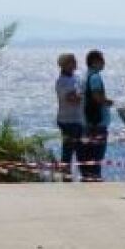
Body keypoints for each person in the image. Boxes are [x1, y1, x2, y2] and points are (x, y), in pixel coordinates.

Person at [81, 49, 113, 182]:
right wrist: (107, 102)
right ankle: (95, 177)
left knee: (89, 152)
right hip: (97, 121)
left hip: (88, 120)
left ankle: (88, 176)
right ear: (94, 62)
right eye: (101, 60)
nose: (104, 63)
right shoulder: (95, 77)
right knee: (97, 153)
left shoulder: (85, 76)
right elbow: (96, 96)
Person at [54, 53, 84, 181]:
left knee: (80, 149)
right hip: (68, 120)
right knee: (68, 150)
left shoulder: (75, 78)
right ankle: (66, 177)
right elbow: (71, 98)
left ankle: (80, 176)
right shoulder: (62, 81)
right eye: (72, 61)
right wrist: (82, 96)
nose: (75, 63)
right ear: (64, 64)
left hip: (78, 118)